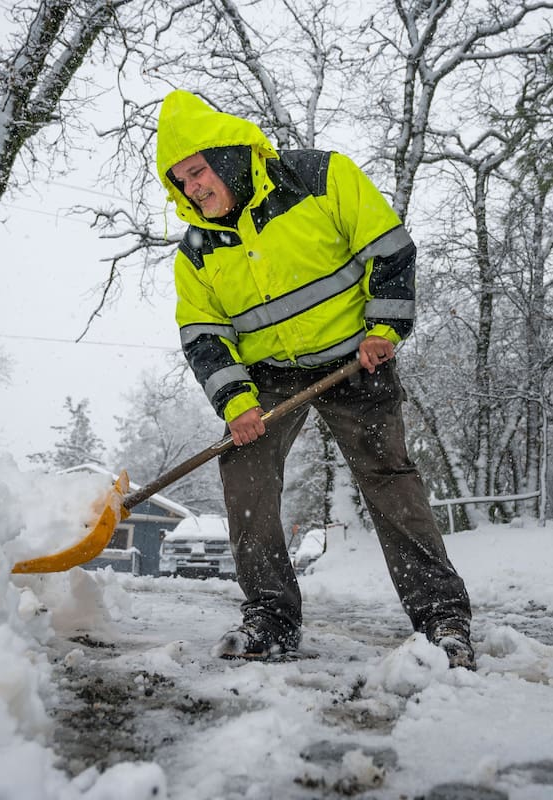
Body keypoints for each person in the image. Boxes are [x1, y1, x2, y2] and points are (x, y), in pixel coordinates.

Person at [155, 90, 474, 669]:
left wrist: (385, 326)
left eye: (198, 171)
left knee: (388, 477)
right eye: (180, 180)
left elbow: (390, 248)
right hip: (270, 375)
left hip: (357, 356)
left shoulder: (321, 177)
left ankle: (441, 619)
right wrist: (236, 403)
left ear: (226, 156)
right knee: (246, 476)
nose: (193, 188)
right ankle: (271, 617)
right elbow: (203, 335)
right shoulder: (199, 250)